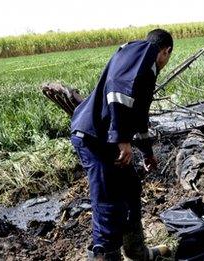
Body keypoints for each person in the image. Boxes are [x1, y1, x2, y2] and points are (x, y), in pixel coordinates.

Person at [70, 29, 173, 260]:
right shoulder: (145, 52)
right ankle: (105, 256)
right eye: (168, 57)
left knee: (130, 188)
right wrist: (122, 139)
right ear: (165, 51)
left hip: (106, 140)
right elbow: (117, 88)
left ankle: (136, 252)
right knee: (108, 202)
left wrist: (147, 153)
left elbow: (140, 117)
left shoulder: (144, 67)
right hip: (93, 140)